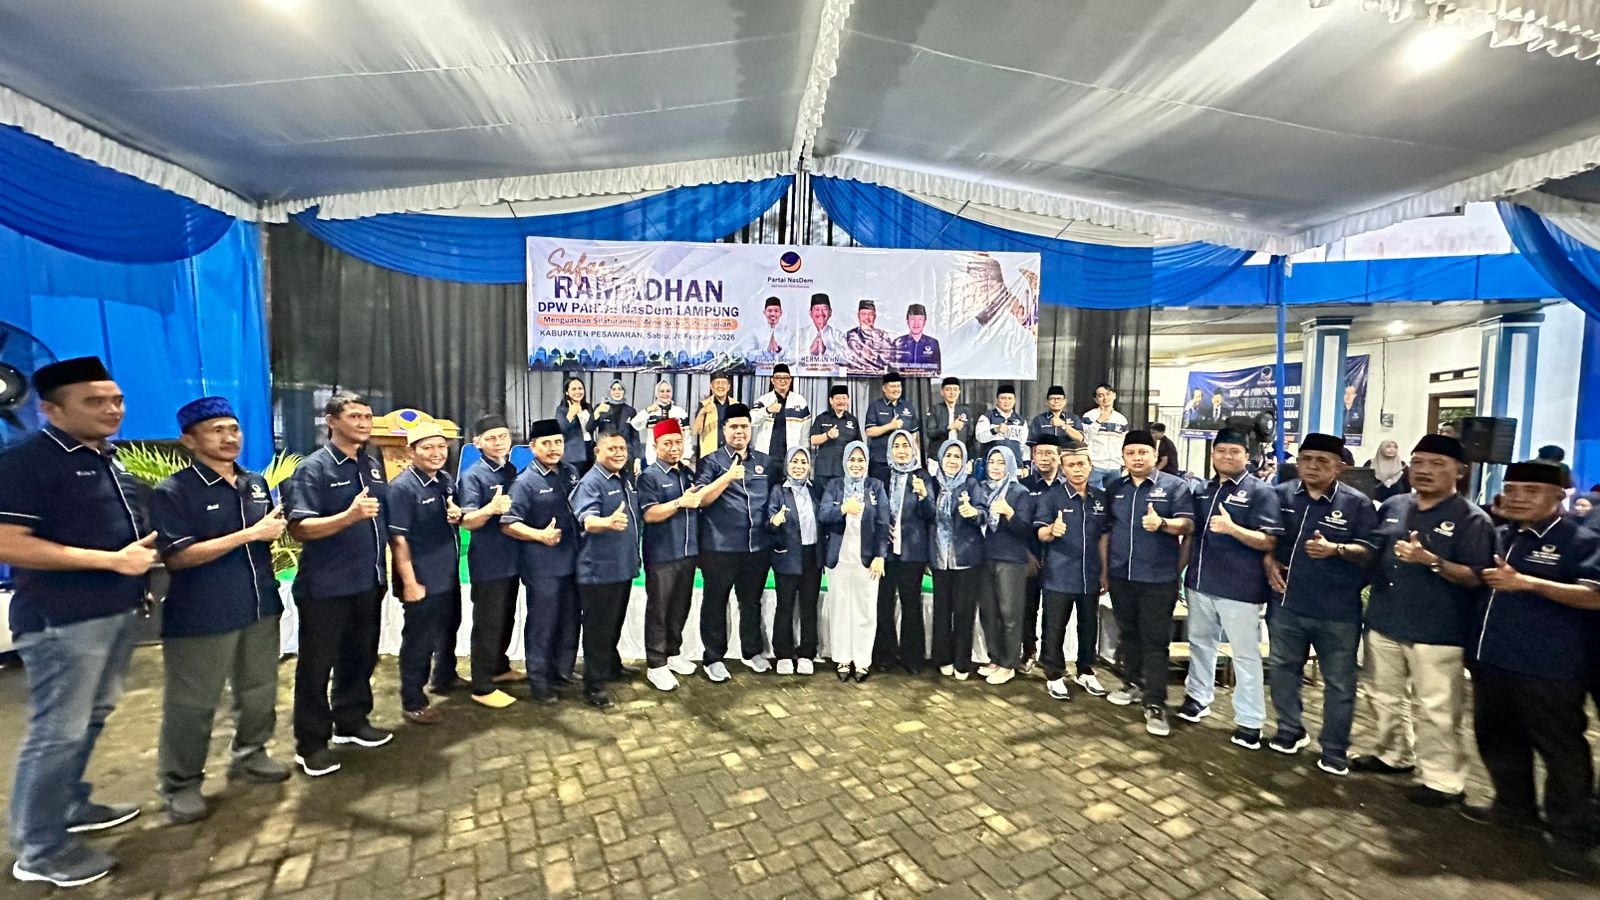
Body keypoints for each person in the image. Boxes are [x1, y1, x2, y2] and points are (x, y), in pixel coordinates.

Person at [0, 358, 156, 887]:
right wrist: (112, 561)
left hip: (113, 613)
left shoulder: (107, 457)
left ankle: (69, 804)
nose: (112, 410)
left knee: (91, 718)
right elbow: (8, 542)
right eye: (95, 401)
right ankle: (39, 849)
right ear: (51, 409)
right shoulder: (28, 461)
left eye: (116, 399)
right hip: (62, 622)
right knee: (57, 732)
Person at [150, 397, 291, 825]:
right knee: (193, 703)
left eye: (234, 428)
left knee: (259, 689)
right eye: (216, 430)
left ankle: (250, 753)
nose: (229, 438)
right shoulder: (174, 491)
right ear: (189, 440)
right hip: (203, 614)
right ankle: (181, 783)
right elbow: (178, 557)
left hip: (259, 604)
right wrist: (250, 534)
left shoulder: (253, 483)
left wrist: (268, 532)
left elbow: (265, 535)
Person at [1469, 461, 1600, 877]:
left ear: (1558, 495)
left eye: (1531, 490)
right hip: (1493, 659)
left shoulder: (1580, 540)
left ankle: (1571, 834)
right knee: (1497, 739)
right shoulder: (1502, 535)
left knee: (1561, 751)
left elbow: (1594, 596)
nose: (1518, 497)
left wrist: (1529, 583)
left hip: (1549, 667)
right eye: (1512, 489)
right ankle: (1514, 808)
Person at [1351, 435, 1495, 807]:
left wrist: (1431, 560)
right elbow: (1374, 552)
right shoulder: (1395, 505)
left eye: (1437, 464)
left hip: (1438, 629)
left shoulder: (1472, 520)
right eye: (1418, 462)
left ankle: (1443, 781)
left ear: (1459, 471)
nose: (1425, 470)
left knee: (1437, 709)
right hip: (1385, 619)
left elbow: (1477, 577)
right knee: (1383, 697)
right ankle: (1394, 755)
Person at [284, 391, 393, 777]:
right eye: (355, 416)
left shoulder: (371, 464)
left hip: (368, 581)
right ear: (331, 422)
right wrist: (348, 516)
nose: (364, 423)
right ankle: (311, 744)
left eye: (368, 416)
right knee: (316, 667)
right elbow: (300, 528)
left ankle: (351, 720)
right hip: (326, 587)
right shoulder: (313, 469)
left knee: (360, 657)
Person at [1264, 433, 1378, 776]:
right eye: (1306, 459)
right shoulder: (1280, 495)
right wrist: (1268, 560)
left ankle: (1334, 749)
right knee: (1284, 671)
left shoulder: (1358, 504)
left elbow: (1369, 552)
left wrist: (1336, 549)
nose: (1313, 466)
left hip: (1337, 611)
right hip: (1287, 604)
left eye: (1322, 461)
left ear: (1339, 467)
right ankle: (1290, 729)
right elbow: (1268, 537)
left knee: (1340, 683)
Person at [1173, 430, 1282, 749]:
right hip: (1200, 583)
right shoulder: (1202, 490)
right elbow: (1191, 535)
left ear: (1247, 456)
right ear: (1213, 455)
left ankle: (1250, 721)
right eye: (1221, 450)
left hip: (1240, 589)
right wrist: (1179, 572)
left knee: (1245, 655)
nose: (1227, 456)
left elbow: (1269, 540)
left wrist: (1233, 529)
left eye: (1234, 451)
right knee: (1200, 645)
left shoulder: (1261, 492)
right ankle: (1198, 698)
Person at [1101, 430, 1194, 736]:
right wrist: (1106, 572)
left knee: (1155, 641)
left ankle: (1155, 702)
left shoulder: (1175, 486)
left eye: (1143, 452)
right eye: (1131, 453)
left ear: (1155, 455)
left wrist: (1162, 523)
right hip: (1122, 575)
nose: (1137, 458)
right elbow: (1108, 531)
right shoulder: (1116, 488)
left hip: (1158, 578)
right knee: (1129, 634)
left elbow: (1188, 526)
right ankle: (1132, 684)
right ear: (1123, 457)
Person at [500, 419, 582, 705]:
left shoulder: (570, 473)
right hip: (542, 566)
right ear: (533, 447)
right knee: (543, 623)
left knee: (569, 620)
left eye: (558, 442)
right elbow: (508, 524)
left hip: (573, 561)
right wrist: (539, 535)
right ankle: (539, 680)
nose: (553, 448)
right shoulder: (525, 482)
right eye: (546, 443)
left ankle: (562, 670)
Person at [387, 423, 464, 725]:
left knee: (449, 627)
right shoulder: (402, 488)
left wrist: (457, 515)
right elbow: (398, 540)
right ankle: (413, 700)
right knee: (420, 641)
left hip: (447, 575)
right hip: (421, 579)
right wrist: (410, 583)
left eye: (441, 446)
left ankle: (444, 677)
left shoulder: (444, 480)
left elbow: (451, 515)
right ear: (411, 451)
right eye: (428, 447)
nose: (436, 453)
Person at [694, 403, 773, 680]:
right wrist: (727, 478)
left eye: (744, 426)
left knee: (751, 602)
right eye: (734, 426)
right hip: (720, 547)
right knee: (715, 602)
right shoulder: (712, 461)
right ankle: (713, 657)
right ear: (724, 430)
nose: (739, 431)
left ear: (751, 429)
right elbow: (700, 499)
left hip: (757, 547)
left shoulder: (765, 461)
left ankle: (751, 652)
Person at [1031, 442, 1109, 701]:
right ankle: (1053, 673)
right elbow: (1040, 532)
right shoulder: (1052, 497)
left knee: (1089, 626)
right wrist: (1051, 531)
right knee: (1054, 626)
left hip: (1090, 574)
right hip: (1059, 575)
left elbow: (1104, 538)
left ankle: (1085, 670)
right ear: (1063, 469)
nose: (1077, 469)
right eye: (1071, 465)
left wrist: (1105, 572)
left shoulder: (1100, 498)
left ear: (1090, 466)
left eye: (1081, 464)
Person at [570, 428, 640, 709]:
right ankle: (594, 685)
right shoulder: (591, 482)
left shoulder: (623, 478)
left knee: (613, 624)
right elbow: (587, 520)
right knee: (598, 630)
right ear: (597, 452)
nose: (619, 453)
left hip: (622, 568)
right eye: (612, 449)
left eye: (622, 448)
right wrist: (607, 522)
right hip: (598, 571)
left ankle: (611, 666)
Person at [456, 415, 523, 709]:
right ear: (477, 443)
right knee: (488, 622)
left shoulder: (510, 469)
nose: (498, 442)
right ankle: (482, 686)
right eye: (491, 438)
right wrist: (491, 509)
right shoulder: (473, 476)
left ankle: (499, 667)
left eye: (503, 436)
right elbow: (467, 521)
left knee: (506, 616)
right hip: (489, 560)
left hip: (512, 557)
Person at [636, 420, 703, 690]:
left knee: (679, 607)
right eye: (667, 443)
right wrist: (678, 502)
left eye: (678, 442)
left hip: (688, 552)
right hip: (662, 555)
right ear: (656, 446)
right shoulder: (649, 476)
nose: (674, 448)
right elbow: (649, 514)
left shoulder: (686, 473)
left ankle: (673, 653)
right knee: (659, 610)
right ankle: (656, 664)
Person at [819, 442, 889, 681]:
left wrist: (880, 555)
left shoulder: (876, 486)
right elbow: (823, 514)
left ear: (867, 463)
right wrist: (843, 508)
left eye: (861, 460)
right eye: (852, 459)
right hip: (839, 560)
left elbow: (883, 523)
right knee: (840, 610)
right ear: (844, 462)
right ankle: (842, 659)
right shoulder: (835, 486)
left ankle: (862, 661)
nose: (856, 464)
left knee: (865, 611)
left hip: (867, 561)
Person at [873, 430, 934, 674]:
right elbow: (874, 508)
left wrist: (924, 496)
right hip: (885, 552)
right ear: (890, 449)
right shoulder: (881, 475)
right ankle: (884, 655)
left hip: (912, 551)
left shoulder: (922, 476)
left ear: (913, 449)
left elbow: (931, 514)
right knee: (883, 603)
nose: (901, 450)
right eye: (896, 445)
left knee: (911, 604)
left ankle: (912, 658)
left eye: (905, 446)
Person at [927, 440, 985, 680]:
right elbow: (926, 515)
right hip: (940, 557)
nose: (952, 460)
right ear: (941, 459)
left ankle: (962, 661)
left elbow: (983, 512)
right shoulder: (932, 484)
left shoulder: (971, 484)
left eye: (957, 456)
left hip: (967, 557)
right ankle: (943, 658)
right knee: (942, 611)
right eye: (948, 455)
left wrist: (974, 513)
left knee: (964, 611)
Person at [975, 446, 1033, 686]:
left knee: (1010, 614)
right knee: (988, 612)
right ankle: (995, 658)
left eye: (1001, 462)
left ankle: (1009, 663)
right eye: (992, 462)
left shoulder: (1020, 492)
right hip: (985, 557)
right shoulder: (982, 489)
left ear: (1010, 465)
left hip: (1011, 560)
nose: (996, 467)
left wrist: (1009, 513)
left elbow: (1026, 529)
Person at [767, 447, 824, 676]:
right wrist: (775, 520)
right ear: (787, 465)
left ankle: (806, 654)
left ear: (809, 465)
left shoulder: (816, 489)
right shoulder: (778, 490)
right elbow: (768, 522)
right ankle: (783, 654)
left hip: (812, 557)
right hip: (787, 556)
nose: (799, 466)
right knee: (785, 606)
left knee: (809, 606)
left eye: (803, 462)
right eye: (794, 461)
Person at [1018, 435, 1064, 675]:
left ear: (1059, 456)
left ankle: (1051, 656)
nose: (1044, 458)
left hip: (1060, 559)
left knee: (1054, 612)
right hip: (1030, 558)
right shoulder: (1023, 486)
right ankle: (1029, 652)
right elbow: (1018, 524)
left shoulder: (1067, 486)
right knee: (1028, 609)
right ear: (1033, 457)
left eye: (1050, 453)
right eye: (1039, 453)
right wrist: (1026, 554)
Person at [863, 371, 919, 485]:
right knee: (880, 491)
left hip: (904, 462)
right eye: (893, 386)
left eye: (898, 386)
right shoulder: (875, 406)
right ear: (884, 388)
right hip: (880, 461)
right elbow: (869, 431)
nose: (896, 389)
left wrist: (915, 455)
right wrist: (890, 426)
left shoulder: (908, 406)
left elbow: (914, 434)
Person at [750, 363, 812, 461]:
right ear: (772, 380)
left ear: (790, 380)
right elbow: (751, 420)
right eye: (778, 377)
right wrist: (767, 410)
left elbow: (805, 432)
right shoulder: (764, 400)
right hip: (765, 455)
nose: (782, 381)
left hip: (791, 456)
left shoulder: (800, 401)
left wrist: (803, 452)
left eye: (786, 378)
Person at [809, 384, 859, 488]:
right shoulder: (822, 418)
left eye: (844, 398)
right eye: (837, 398)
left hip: (844, 471)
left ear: (848, 400)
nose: (841, 401)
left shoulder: (853, 420)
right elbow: (813, 440)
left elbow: (858, 445)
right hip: (824, 470)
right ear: (831, 400)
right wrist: (827, 435)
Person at [629, 381, 689, 467]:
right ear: (657, 393)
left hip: (675, 459)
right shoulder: (651, 412)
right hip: (654, 459)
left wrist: (686, 457)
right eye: (662, 391)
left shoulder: (679, 412)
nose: (665, 394)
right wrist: (648, 410)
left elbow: (687, 437)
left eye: (668, 391)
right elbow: (635, 424)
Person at [1081, 384, 1130, 489]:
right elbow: (1085, 439)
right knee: (1091, 494)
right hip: (1095, 465)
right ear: (1096, 399)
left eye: (1108, 394)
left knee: (1115, 495)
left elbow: (1125, 443)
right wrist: (1099, 421)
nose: (1105, 398)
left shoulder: (1121, 419)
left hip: (1115, 466)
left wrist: (1124, 462)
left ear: (1114, 396)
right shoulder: (1089, 416)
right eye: (1100, 395)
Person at [592, 381, 642, 475]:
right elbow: (589, 428)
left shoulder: (631, 411)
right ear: (610, 391)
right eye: (614, 389)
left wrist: (637, 459)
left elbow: (635, 437)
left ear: (624, 391)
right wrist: (597, 412)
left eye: (620, 389)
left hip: (626, 455)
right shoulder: (601, 407)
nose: (617, 392)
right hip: (606, 454)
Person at [923, 376, 974, 464]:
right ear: (942, 392)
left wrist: (970, 459)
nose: (952, 392)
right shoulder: (935, 410)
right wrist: (949, 427)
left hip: (960, 456)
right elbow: (930, 433)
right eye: (948, 389)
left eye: (955, 389)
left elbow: (970, 436)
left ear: (959, 392)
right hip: (938, 457)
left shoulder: (965, 411)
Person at [976, 383, 1028, 465]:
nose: (1007, 401)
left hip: (1015, 466)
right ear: (997, 399)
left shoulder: (1021, 420)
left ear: (1014, 400)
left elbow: (1023, 446)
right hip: (992, 466)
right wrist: (995, 430)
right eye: (1003, 398)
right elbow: (980, 437)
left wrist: (1026, 465)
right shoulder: (987, 417)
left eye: (1010, 398)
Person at [796, 292, 848, 373]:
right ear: (810, 313)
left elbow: (846, 360)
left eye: (824, 309)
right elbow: (790, 358)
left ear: (830, 312)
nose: (820, 313)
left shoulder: (838, 335)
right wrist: (809, 351)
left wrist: (826, 351)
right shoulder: (800, 334)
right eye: (816, 309)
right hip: (804, 378)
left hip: (831, 378)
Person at [846, 299, 896, 375]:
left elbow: (889, 358)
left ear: (875, 316)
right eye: (863, 314)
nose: (867, 318)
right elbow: (846, 359)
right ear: (858, 316)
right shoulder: (851, 335)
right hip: (855, 377)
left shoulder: (882, 336)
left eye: (870, 314)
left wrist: (874, 356)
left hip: (878, 377)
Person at [692, 373, 734, 464]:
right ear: (711, 386)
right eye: (717, 383)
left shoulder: (736, 405)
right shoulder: (704, 404)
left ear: (728, 387)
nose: (720, 386)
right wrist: (702, 412)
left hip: (731, 454)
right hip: (710, 455)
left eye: (723, 383)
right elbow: (697, 431)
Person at [741, 296, 791, 367]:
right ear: (764, 312)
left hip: (782, 373)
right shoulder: (756, 332)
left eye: (776, 311)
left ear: (781, 312)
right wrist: (765, 351)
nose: (773, 314)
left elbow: (794, 358)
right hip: (761, 372)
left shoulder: (788, 333)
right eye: (770, 311)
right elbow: (748, 355)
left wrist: (779, 351)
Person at [556, 376, 592, 472]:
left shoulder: (588, 407)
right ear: (567, 392)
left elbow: (591, 427)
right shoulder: (562, 409)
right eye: (574, 389)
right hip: (574, 454)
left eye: (580, 388)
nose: (578, 391)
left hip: (590, 449)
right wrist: (571, 414)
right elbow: (561, 430)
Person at [893, 303, 941, 374]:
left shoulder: (933, 343)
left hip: (925, 380)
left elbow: (937, 370)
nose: (916, 323)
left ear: (925, 321)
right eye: (912, 319)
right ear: (907, 321)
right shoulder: (898, 343)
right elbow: (892, 370)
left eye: (920, 319)